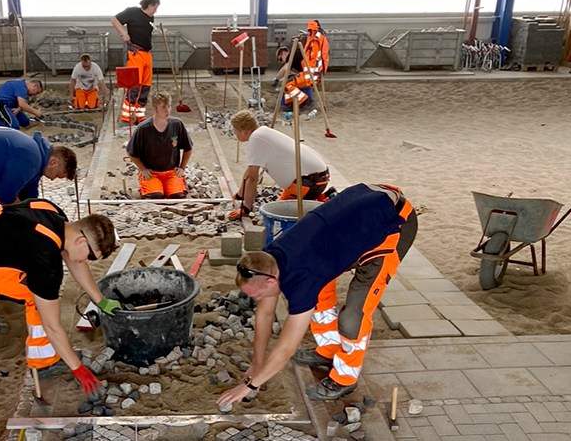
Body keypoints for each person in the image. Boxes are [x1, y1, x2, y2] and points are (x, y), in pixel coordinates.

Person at [0, 200, 122, 441]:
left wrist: (100, 300)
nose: (88, 262)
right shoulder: (44, 254)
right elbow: (53, 325)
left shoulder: (55, 215)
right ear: (82, 240)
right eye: (92, 256)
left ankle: (44, 362)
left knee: (38, 293)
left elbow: (74, 258)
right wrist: (77, 368)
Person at [217, 184, 417, 406]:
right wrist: (257, 363)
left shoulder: (304, 280)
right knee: (320, 292)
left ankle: (345, 378)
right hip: (356, 220)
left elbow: (286, 348)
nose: (257, 300)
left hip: (393, 222)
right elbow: (264, 315)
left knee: (353, 316)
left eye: (256, 295)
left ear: (271, 281)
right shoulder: (270, 260)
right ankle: (328, 350)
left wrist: (250, 385)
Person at [228, 110, 332, 220]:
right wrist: (240, 194)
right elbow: (250, 171)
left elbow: (253, 178)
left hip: (307, 183)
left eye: (235, 132)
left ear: (244, 132)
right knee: (282, 203)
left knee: (279, 216)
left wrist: (246, 209)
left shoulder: (256, 139)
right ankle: (322, 198)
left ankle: (325, 202)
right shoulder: (263, 132)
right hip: (318, 177)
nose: (235, 135)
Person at [126, 90, 191, 199]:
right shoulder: (143, 129)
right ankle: (150, 186)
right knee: (154, 196)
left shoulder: (177, 124)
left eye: (169, 106)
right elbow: (131, 152)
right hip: (152, 173)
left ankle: (171, 186)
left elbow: (188, 148)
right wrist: (143, 169)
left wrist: (182, 167)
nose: (168, 110)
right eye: (163, 107)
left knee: (178, 196)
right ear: (154, 109)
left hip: (171, 172)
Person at [111, 0, 159, 124]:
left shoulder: (151, 18)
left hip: (147, 54)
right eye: (155, 8)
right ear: (149, 5)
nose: (156, 11)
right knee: (133, 87)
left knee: (145, 87)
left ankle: (139, 117)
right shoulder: (132, 12)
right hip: (135, 54)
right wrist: (123, 33)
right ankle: (126, 119)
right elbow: (114, 19)